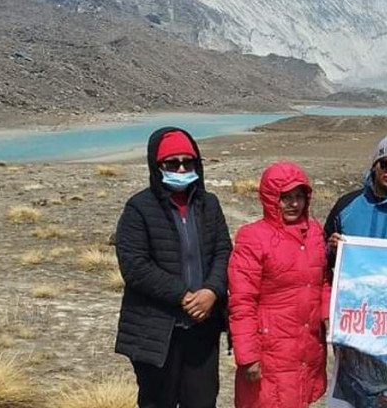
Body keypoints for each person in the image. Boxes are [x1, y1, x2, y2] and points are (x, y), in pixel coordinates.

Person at [114, 127, 232, 408]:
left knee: (202, 402)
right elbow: (134, 265)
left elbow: (223, 251)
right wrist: (184, 295)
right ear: (157, 167)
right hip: (156, 330)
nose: (181, 168)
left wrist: (213, 292)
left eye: (187, 162)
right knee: (157, 401)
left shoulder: (208, 204)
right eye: (172, 163)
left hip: (202, 327)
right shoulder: (139, 207)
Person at [228, 162, 330, 408]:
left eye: (299, 196)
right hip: (271, 349)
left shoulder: (314, 232)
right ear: (271, 198)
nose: (294, 204)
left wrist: (328, 315)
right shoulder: (253, 237)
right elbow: (242, 300)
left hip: (307, 344)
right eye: (285, 197)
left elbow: (322, 281)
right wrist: (248, 355)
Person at [324, 133, 387, 257]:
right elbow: (323, 250)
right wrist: (331, 249)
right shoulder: (346, 204)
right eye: (385, 164)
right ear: (374, 166)